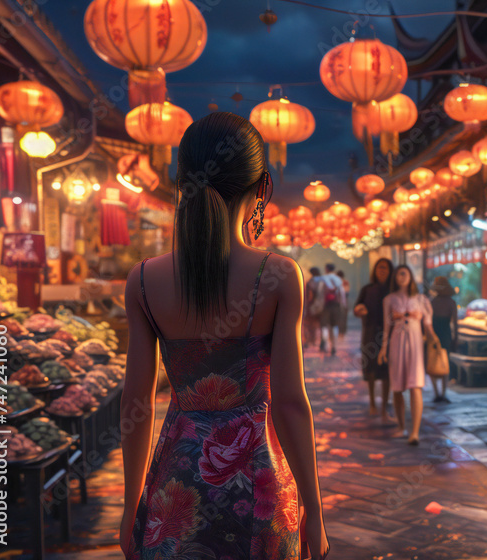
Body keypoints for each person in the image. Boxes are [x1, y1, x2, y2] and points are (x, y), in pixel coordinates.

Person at [119, 112, 328, 560]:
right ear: (263, 187)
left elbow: (136, 403)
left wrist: (130, 503)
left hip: (173, 489)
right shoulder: (278, 275)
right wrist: (314, 507)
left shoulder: (141, 281)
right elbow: (290, 403)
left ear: (181, 184)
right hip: (259, 488)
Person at [379, 265, 434, 446]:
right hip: (396, 342)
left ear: (411, 276)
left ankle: (415, 432)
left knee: (415, 385)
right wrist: (382, 349)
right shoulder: (389, 299)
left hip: (415, 344)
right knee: (397, 386)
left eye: (404, 273)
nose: (401, 277)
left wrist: (435, 340)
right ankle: (401, 427)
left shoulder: (421, 299)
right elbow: (386, 327)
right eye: (398, 274)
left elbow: (428, 324)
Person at [354, 259, 392, 422]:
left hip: (389, 334)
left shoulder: (393, 289)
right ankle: (372, 402)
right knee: (369, 369)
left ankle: (384, 406)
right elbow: (357, 308)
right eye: (379, 268)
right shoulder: (367, 289)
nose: (382, 271)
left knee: (387, 372)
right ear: (375, 270)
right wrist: (360, 310)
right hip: (370, 333)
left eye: (385, 268)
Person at [428, 276, 457, 403]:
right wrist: (456, 337)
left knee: (432, 361)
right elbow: (455, 324)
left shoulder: (432, 302)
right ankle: (444, 393)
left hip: (433, 334)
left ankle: (437, 393)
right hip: (445, 334)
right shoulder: (451, 302)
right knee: (445, 364)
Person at [317, 263, 346, 356]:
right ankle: (334, 346)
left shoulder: (323, 279)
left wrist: (319, 306)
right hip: (336, 306)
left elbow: (320, 293)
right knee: (334, 326)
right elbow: (342, 293)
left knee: (324, 325)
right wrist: (343, 305)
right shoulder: (338, 279)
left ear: (326, 269)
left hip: (326, 306)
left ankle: (324, 342)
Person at [305, 267, 323, 350]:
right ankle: (319, 341)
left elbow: (309, 295)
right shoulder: (323, 281)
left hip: (312, 304)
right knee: (320, 324)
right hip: (323, 305)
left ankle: (310, 340)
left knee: (310, 324)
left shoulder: (311, 281)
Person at [336, 269, 350, 342]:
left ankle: (341, 333)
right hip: (344, 303)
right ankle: (342, 333)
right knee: (343, 318)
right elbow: (347, 292)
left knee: (340, 318)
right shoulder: (345, 282)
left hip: (339, 303)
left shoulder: (341, 282)